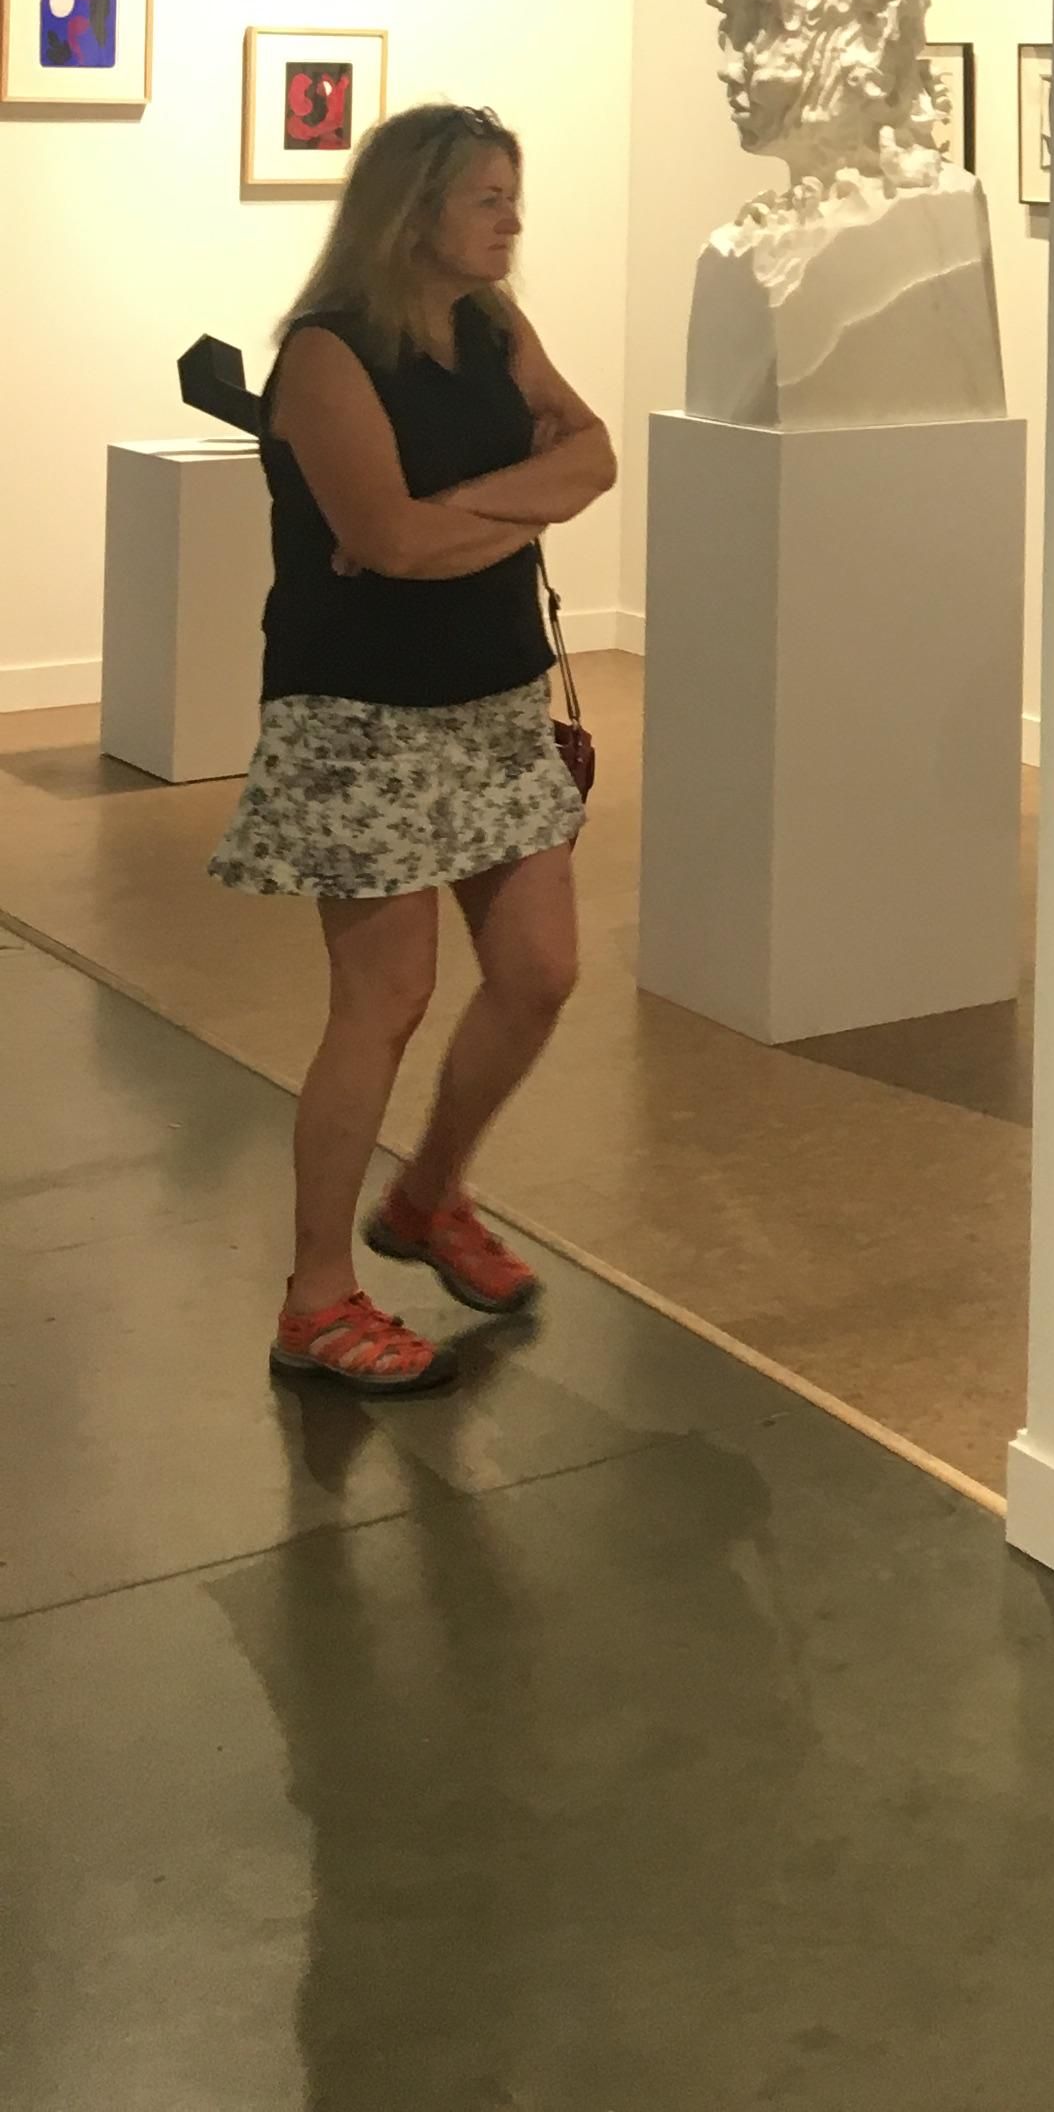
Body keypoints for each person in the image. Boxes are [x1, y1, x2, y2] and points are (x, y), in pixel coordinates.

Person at [208, 103, 617, 1393]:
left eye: (512, 194)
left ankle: (429, 1196)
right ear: (414, 210)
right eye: (487, 198)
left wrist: (465, 512)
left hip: (495, 701)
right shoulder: (327, 354)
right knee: (381, 1004)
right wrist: (516, 506)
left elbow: (595, 456)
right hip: (359, 713)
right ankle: (315, 1299)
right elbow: (385, 545)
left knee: (540, 973)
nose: (512, 221)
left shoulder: (494, 327)